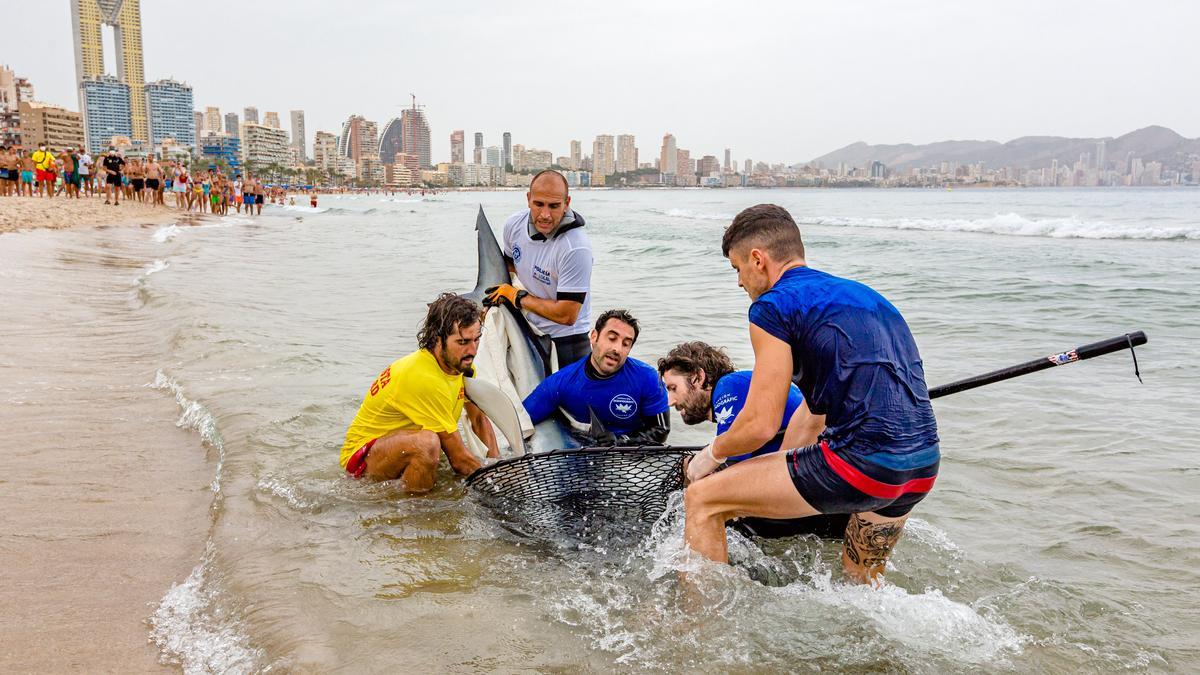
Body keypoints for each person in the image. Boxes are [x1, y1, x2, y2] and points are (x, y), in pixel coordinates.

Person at [682, 204, 940, 584]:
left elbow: (759, 422)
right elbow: (811, 415)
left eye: (737, 270)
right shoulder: (868, 296)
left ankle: (697, 634)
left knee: (702, 501)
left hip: (860, 464)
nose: (739, 282)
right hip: (920, 467)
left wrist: (707, 460)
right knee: (861, 584)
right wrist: (760, 481)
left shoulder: (772, 307)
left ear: (758, 260)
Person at [340, 293, 499, 490]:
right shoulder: (424, 377)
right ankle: (419, 510)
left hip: (396, 447)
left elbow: (479, 420)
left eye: (477, 339)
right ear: (437, 339)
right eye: (463, 342)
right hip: (362, 462)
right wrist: (497, 484)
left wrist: (498, 467)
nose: (473, 351)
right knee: (428, 444)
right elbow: (459, 461)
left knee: (432, 444)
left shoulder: (462, 366)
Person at [485, 169, 595, 369]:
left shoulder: (575, 247)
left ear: (567, 203)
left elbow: (567, 315)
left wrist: (517, 297)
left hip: (566, 340)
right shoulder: (513, 225)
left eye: (554, 206)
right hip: (526, 330)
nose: (545, 214)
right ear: (528, 199)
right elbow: (509, 265)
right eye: (538, 204)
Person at [522, 309, 670, 445]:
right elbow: (520, 422)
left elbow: (661, 430)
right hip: (581, 449)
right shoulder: (561, 383)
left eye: (626, 344)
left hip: (632, 454)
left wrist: (621, 441)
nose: (617, 349)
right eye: (612, 338)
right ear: (594, 337)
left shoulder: (649, 379)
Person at [659, 341, 804, 461]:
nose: (670, 402)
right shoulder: (737, 387)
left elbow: (732, 463)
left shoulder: (728, 386)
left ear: (698, 378)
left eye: (673, 388)